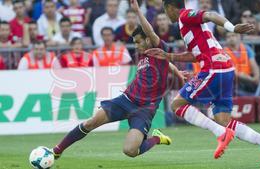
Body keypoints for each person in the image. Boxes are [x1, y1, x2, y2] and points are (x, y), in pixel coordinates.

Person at [145, 0, 260, 167]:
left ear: (170, 8)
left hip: (214, 69)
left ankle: (221, 133)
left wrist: (232, 28)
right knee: (224, 120)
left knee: (177, 104)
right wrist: (169, 56)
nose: (167, 16)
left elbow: (210, 15)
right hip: (224, 68)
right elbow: (196, 54)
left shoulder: (185, 15)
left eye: (166, 12)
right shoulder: (187, 24)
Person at [50, 0, 186, 160]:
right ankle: (57, 150)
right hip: (126, 100)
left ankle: (156, 138)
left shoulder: (158, 46)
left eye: (138, 42)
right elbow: (168, 64)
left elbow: (150, 33)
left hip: (144, 109)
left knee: (130, 151)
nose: (135, 46)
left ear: (148, 39)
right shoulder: (144, 54)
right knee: (90, 123)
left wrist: (137, 11)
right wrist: (178, 73)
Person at [224, 32, 260, 96]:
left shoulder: (247, 49)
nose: (231, 38)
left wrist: (256, 78)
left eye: (233, 36)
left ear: (239, 37)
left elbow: (254, 66)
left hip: (248, 80)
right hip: (234, 82)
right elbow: (232, 72)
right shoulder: (223, 52)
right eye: (228, 37)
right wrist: (252, 79)